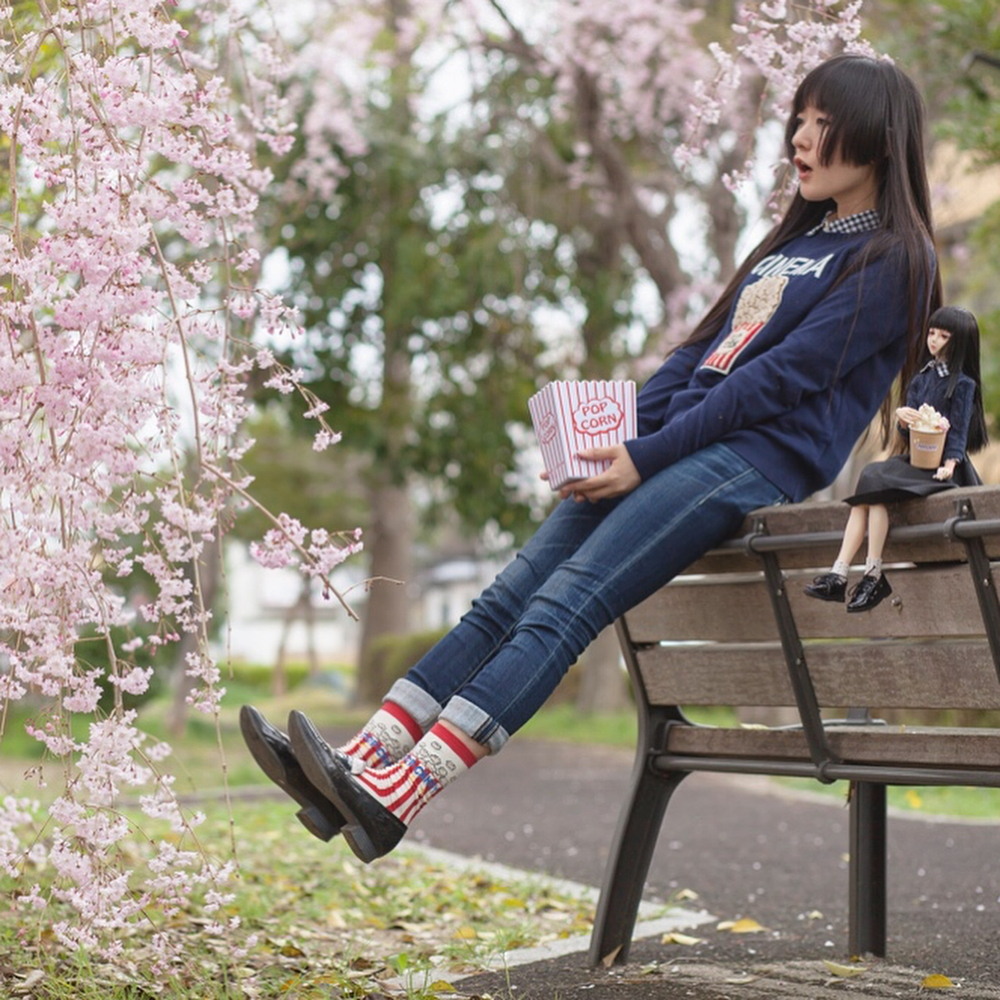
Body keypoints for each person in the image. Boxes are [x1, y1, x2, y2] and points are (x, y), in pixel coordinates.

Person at [241, 54, 941, 864]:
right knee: (504, 597)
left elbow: (781, 381)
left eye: (825, 124)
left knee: (563, 604)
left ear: (880, 142)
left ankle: (405, 791)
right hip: (682, 445)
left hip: (750, 459)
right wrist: (613, 439)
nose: (801, 138)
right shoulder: (796, 243)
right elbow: (699, 359)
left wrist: (646, 455)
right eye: (801, 118)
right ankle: (360, 765)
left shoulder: (894, 258)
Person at [805, 305, 987, 612]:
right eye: (931, 333)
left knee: (874, 482)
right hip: (919, 462)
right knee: (871, 483)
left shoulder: (963, 385)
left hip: (945, 469)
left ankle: (871, 575)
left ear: (960, 342)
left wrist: (950, 464)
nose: (934, 340)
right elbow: (909, 436)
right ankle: (841, 573)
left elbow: (958, 432)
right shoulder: (921, 379)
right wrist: (903, 420)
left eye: (944, 336)